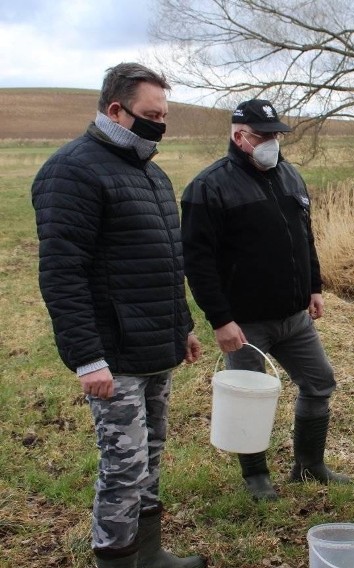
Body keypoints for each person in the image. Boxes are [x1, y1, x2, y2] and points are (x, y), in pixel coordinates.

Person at [32, 63, 205, 568]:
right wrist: (88, 359)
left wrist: (184, 329)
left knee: (149, 460)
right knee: (123, 470)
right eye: (151, 115)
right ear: (115, 111)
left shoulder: (150, 173)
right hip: (115, 356)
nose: (160, 125)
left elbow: (162, 262)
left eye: (165, 115)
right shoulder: (73, 171)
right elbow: (62, 275)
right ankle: (117, 561)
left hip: (156, 346)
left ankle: (149, 556)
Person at [181, 99, 349, 501]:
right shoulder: (208, 188)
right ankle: (255, 476)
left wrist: (314, 286)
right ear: (239, 136)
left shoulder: (290, 176)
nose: (272, 142)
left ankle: (309, 466)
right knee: (249, 398)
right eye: (263, 135)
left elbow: (304, 237)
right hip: (245, 323)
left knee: (319, 383)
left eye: (275, 134)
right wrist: (221, 320)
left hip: (294, 317)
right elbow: (197, 262)